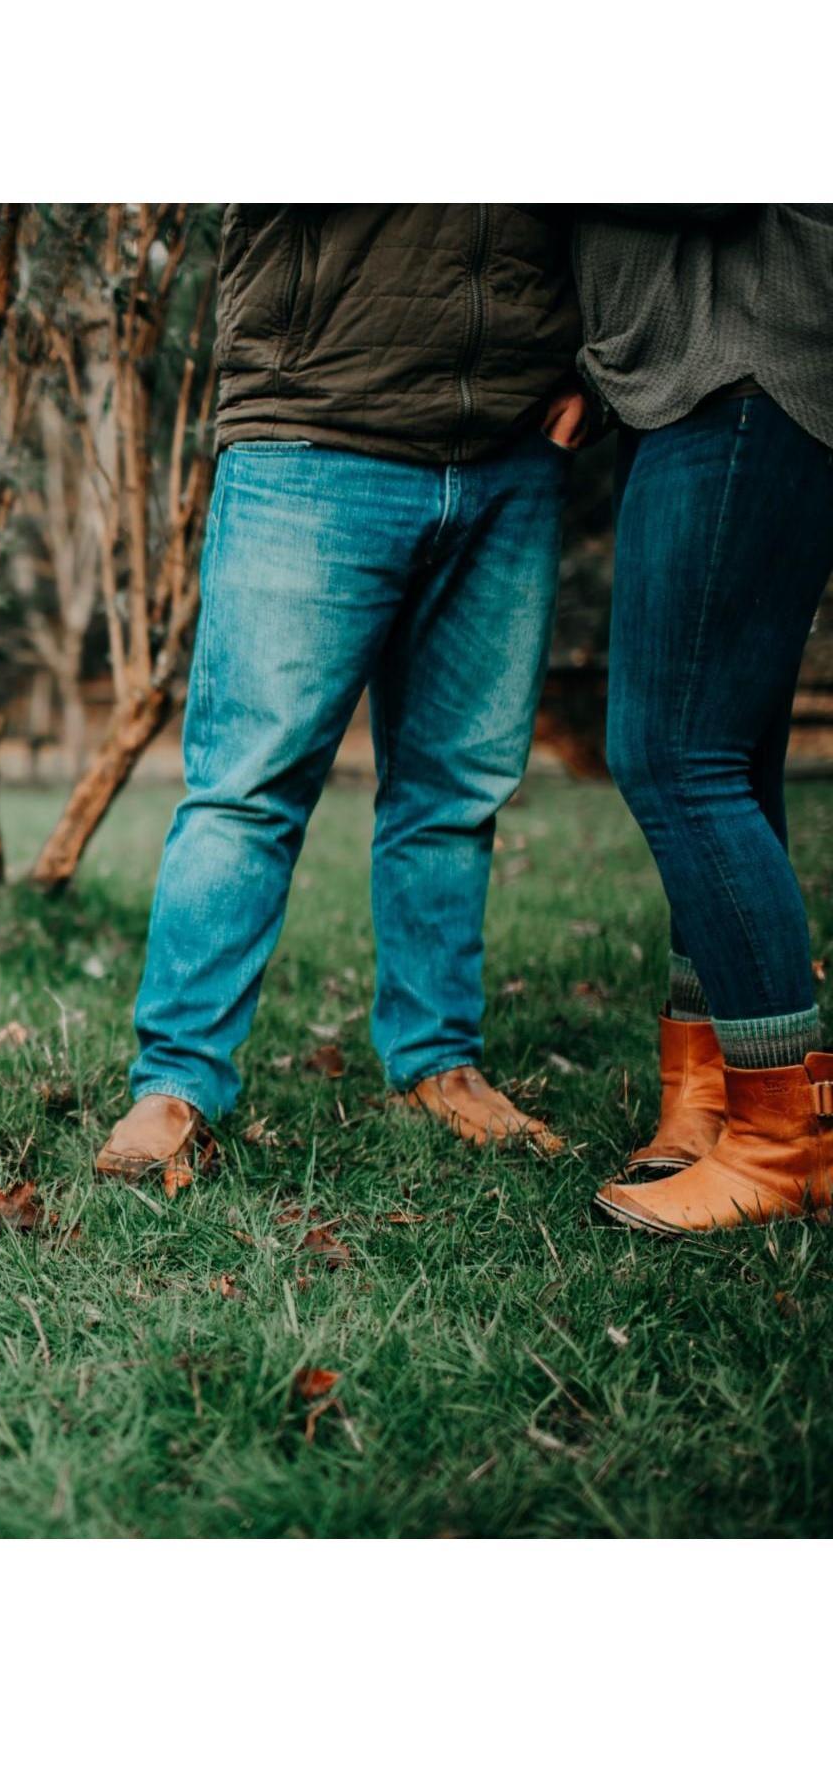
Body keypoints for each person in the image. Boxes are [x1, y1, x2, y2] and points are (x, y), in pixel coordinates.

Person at [96, 205, 580, 1190]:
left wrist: (590, 364)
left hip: (511, 441)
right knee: (246, 788)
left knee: (456, 790)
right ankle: (175, 1080)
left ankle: (436, 1063)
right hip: (313, 428)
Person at [582, 206, 833, 1236]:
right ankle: (715, 1092)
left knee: (670, 751)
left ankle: (785, 1142)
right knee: (726, 751)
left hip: (740, 370)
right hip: (715, 374)